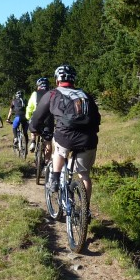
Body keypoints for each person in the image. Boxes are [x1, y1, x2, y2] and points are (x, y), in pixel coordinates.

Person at [29, 64, 100, 198]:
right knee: (84, 175)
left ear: (57, 80)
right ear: (74, 80)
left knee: (59, 151)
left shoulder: (52, 94)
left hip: (66, 136)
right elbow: (97, 118)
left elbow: (38, 116)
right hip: (88, 138)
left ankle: (55, 179)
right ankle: (85, 211)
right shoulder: (85, 94)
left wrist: (34, 129)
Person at [26, 77, 53, 155]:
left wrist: (28, 117)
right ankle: (47, 163)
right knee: (48, 141)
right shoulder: (52, 93)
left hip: (37, 118)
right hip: (48, 120)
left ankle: (33, 142)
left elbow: (29, 107)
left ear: (38, 86)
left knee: (33, 127)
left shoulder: (35, 94)